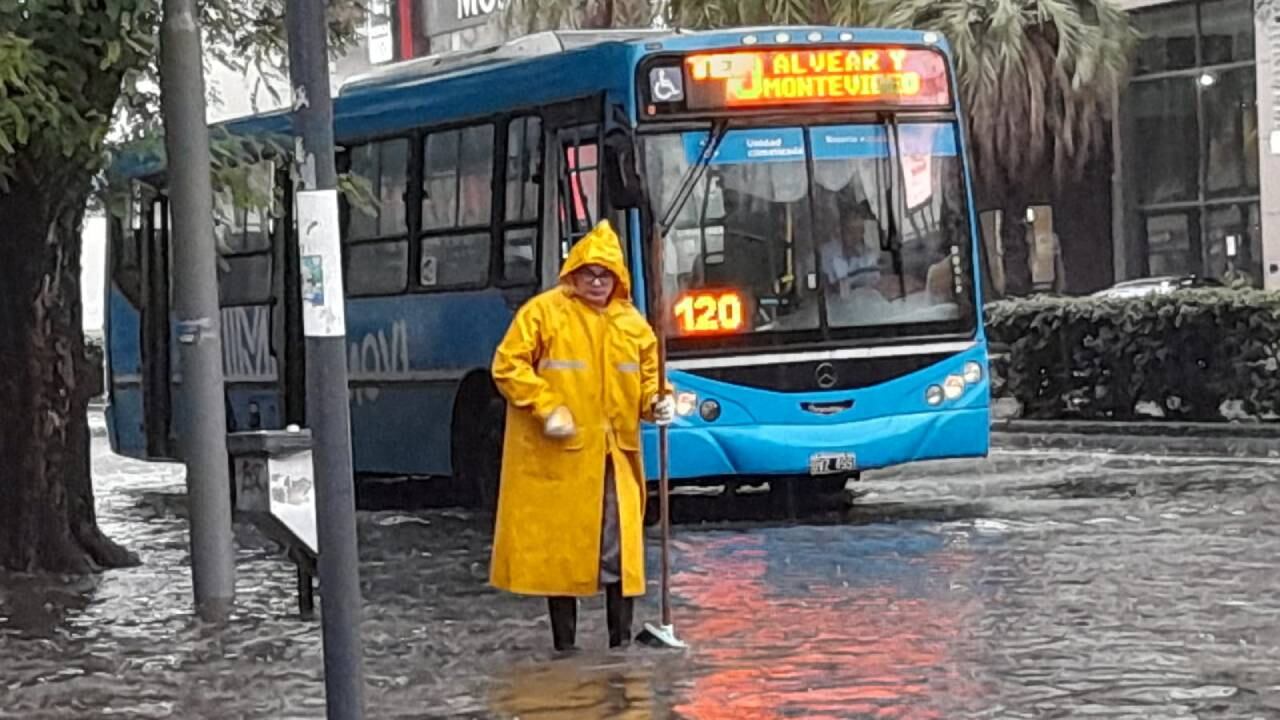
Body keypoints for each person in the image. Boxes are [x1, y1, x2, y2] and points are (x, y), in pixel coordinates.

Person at [489, 219, 675, 653]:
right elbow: (507, 366)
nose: (596, 281)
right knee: (563, 556)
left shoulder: (634, 326)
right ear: (573, 272)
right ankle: (565, 648)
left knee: (620, 553)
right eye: (589, 272)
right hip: (562, 461)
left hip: (616, 458)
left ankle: (620, 645)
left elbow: (650, 383)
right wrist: (546, 406)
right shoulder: (544, 313)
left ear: (618, 278)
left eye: (605, 274)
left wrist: (660, 402)